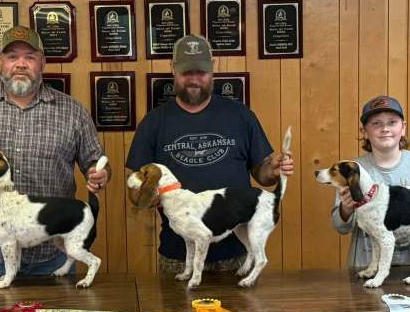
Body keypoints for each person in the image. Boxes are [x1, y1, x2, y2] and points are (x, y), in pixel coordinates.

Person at [0, 25, 109, 278]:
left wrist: (99, 174)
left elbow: (95, 162)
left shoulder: (73, 112)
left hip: (53, 258)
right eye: (12, 56)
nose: (20, 64)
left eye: (29, 57)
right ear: (1, 61)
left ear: (43, 62)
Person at [125, 34, 294, 273]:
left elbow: (262, 174)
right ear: (173, 68)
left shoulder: (240, 116)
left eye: (201, 72)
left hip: (236, 255)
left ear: (213, 68)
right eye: (187, 72)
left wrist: (273, 169)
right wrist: (147, 195)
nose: (194, 79)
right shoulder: (153, 123)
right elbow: (135, 192)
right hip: (178, 257)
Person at [331, 96, 410, 269]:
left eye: (392, 122)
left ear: (403, 128)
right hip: (366, 267)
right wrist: (346, 208)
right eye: (376, 123)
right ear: (364, 131)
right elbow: (341, 227)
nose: (385, 129)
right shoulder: (352, 169)